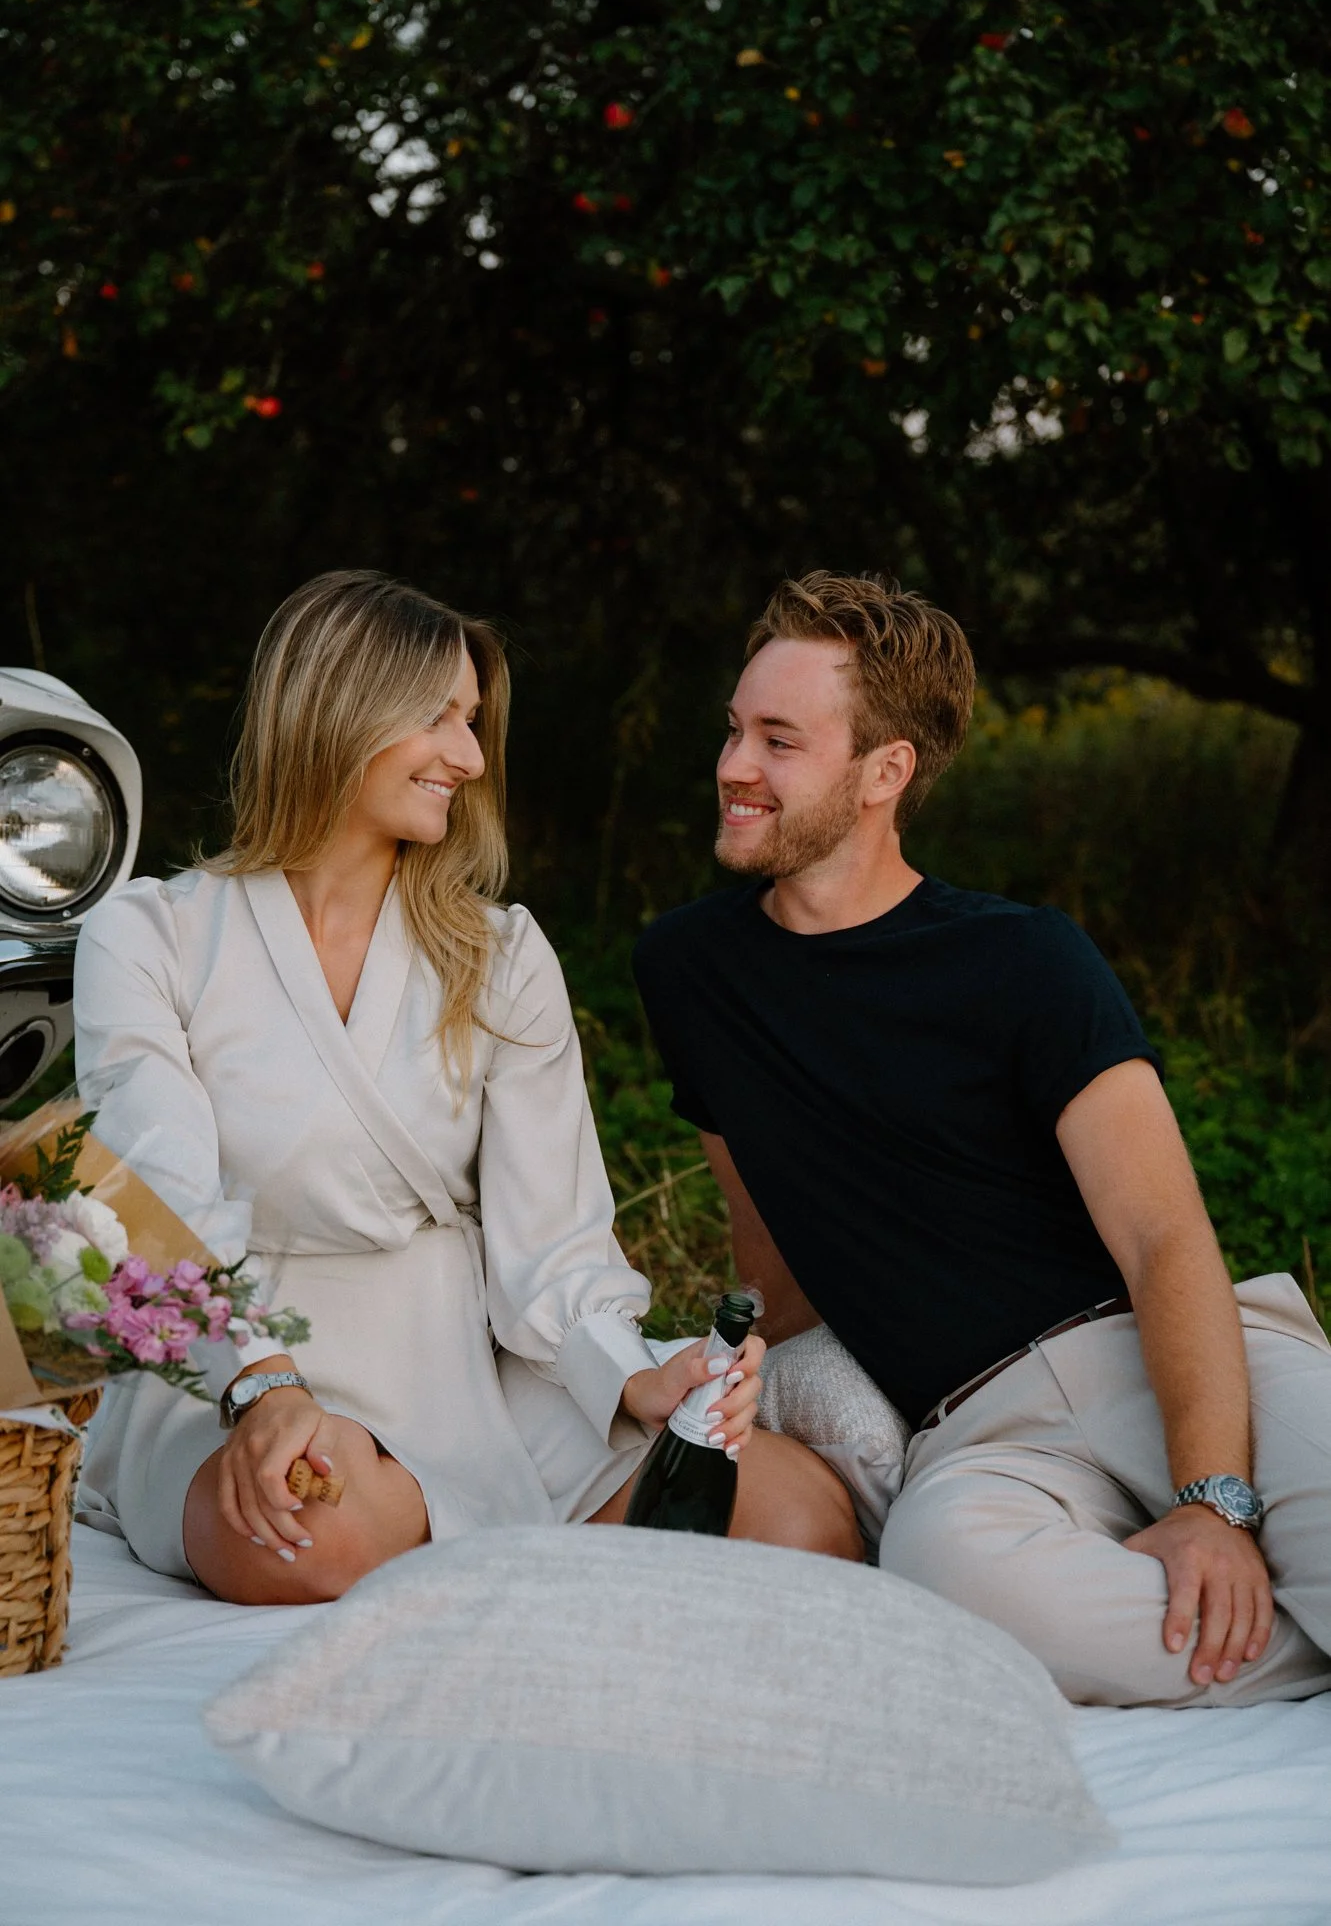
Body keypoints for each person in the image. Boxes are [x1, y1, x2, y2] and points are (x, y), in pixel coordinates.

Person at [74, 571, 859, 1604]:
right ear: (334, 710)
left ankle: (482, 1570)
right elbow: (156, 1199)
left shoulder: (499, 954)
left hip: (469, 1364)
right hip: (245, 1364)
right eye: (437, 717)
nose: (470, 757)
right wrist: (261, 1385)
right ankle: (525, 1575)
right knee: (307, 1529)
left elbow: (553, 1239)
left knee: (799, 1515)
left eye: (474, 721)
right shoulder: (150, 935)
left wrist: (633, 1374)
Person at [633, 569, 1331, 1708]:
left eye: (777, 740)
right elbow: (776, 1272)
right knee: (938, 1575)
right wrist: (722, 1365)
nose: (732, 768)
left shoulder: (1024, 957)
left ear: (884, 770)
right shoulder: (687, 970)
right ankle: (1291, 1646)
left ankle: (1242, 1579)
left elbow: (1161, 1234)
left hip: (1167, 1360)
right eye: (731, 730)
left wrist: (1210, 1500)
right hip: (983, 1435)